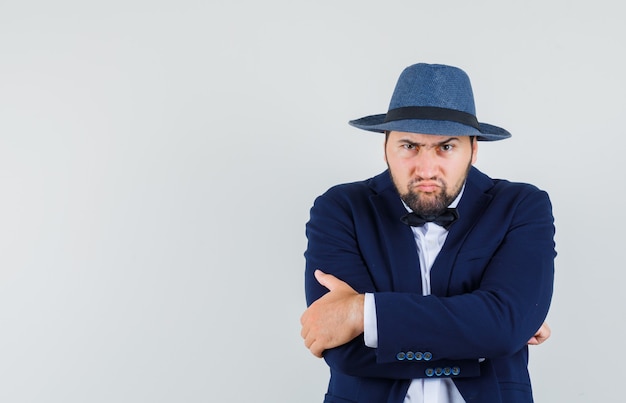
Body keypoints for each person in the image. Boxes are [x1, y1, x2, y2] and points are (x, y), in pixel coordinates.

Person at [300, 63, 556, 403]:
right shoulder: (340, 208)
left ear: (474, 150)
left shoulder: (522, 206)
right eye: (409, 146)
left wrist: (362, 313)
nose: (426, 169)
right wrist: (483, 336)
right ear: (386, 147)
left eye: (446, 147)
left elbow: (505, 327)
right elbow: (342, 350)